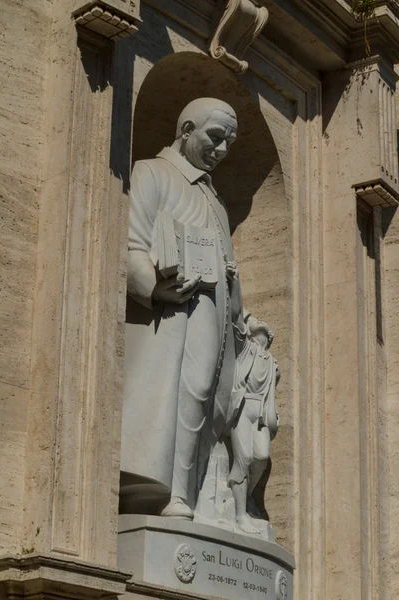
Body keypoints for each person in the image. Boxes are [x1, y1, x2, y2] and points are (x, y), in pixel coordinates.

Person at [121, 98, 239, 519]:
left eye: (229, 142)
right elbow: (131, 247)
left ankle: (195, 494)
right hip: (175, 313)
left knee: (210, 400)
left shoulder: (215, 197)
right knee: (188, 391)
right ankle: (173, 496)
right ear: (186, 130)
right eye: (215, 137)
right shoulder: (151, 172)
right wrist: (157, 288)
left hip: (218, 317)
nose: (222, 149)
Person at [226, 269, 280, 534]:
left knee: (261, 456)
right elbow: (236, 316)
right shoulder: (246, 347)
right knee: (244, 457)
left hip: (260, 412)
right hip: (242, 406)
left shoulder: (272, 363)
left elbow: (272, 389)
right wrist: (235, 281)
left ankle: (245, 496)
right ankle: (238, 515)